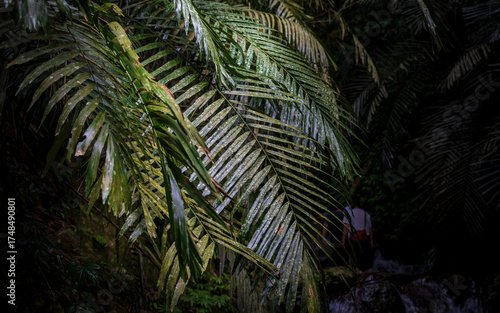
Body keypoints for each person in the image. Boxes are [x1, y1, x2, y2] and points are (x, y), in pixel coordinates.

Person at [341, 196, 374, 275]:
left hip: (353, 239)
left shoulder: (349, 213)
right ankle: (368, 273)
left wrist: (343, 240)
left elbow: (346, 228)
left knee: (354, 257)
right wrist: (371, 241)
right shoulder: (366, 214)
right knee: (364, 257)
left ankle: (356, 273)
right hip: (364, 238)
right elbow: (370, 229)